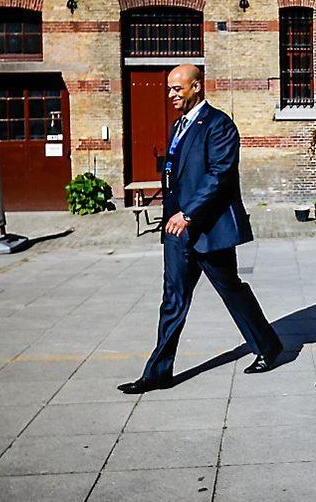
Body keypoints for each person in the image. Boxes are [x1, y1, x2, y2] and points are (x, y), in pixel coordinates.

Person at [118, 64, 283, 394]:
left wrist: (188, 214)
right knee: (173, 298)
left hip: (209, 229)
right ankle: (158, 372)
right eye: (169, 89)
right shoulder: (178, 126)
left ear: (197, 87)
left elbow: (219, 176)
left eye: (177, 89)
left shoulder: (219, 125)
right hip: (177, 232)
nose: (171, 95)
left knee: (231, 290)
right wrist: (170, 218)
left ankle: (268, 347)